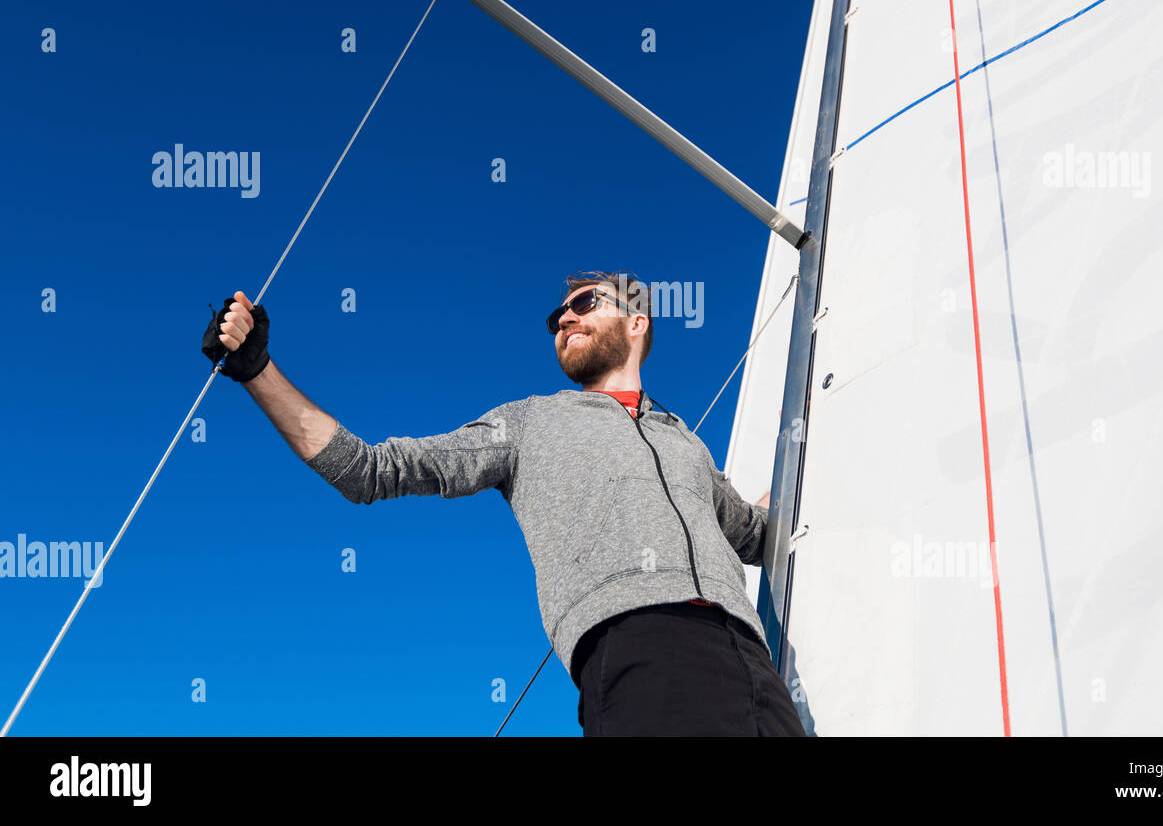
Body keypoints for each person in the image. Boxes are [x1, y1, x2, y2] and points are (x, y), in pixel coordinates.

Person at [201, 270, 806, 736]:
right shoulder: (528, 424)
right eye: (557, 316)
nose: (564, 319)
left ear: (638, 322)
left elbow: (757, 533)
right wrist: (257, 370)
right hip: (638, 645)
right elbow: (371, 470)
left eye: (583, 304)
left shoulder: (686, 443)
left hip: (754, 660)